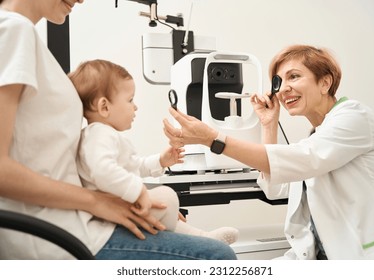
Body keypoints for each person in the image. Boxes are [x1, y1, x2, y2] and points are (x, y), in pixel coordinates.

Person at [0, 0, 237, 260]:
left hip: (77, 224)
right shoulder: (14, 30)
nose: (81, 0)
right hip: (56, 238)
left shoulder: (26, 39)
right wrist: (99, 202)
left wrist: (143, 200)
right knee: (218, 258)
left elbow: (60, 164)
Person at [163, 44, 374, 260]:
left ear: (325, 83)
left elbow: (304, 159)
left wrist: (212, 139)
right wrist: (269, 125)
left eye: (294, 76)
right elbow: (276, 189)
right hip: (319, 255)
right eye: (278, 81)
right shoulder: (316, 136)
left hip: (366, 255)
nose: (282, 89)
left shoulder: (354, 117)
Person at [68, 59, 239, 245]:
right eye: (130, 100)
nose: (135, 107)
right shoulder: (99, 135)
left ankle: (205, 238)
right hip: (112, 217)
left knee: (165, 203)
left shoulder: (104, 136)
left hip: (120, 209)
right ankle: (202, 239)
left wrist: (161, 161)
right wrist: (139, 192)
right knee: (166, 197)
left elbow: (133, 166)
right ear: (104, 107)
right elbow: (102, 171)